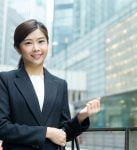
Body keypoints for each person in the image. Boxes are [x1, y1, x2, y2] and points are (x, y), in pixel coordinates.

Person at [0, 19, 100, 150]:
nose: (36, 48)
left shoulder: (60, 85)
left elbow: (63, 134)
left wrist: (81, 117)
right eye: (28, 43)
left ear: (48, 44)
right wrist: (46, 132)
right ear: (18, 48)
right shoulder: (6, 80)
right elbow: (2, 127)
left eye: (41, 41)